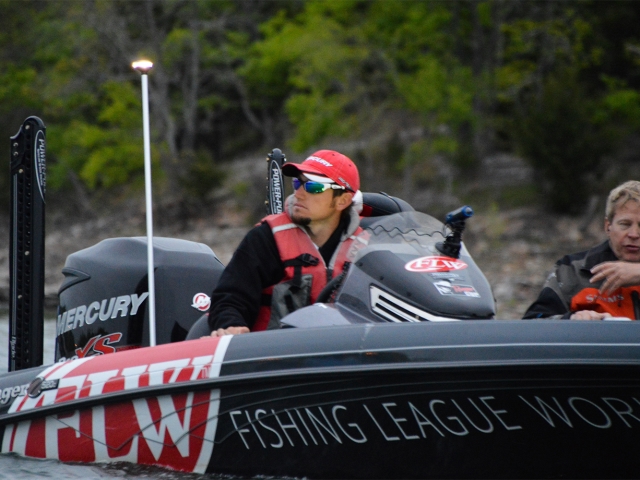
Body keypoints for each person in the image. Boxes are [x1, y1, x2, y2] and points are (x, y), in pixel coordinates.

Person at [208, 149, 362, 336]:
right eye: (298, 182)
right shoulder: (266, 238)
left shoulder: (366, 248)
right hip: (275, 351)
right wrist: (231, 325)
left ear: (343, 201)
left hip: (342, 350)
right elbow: (230, 299)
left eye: (314, 187)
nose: (299, 193)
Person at [523, 180, 640, 320]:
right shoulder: (572, 270)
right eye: (625, 224)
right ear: (608, 226)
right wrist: (572, 320)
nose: (634, 234)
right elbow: (533, 322)